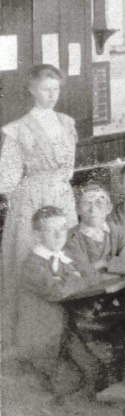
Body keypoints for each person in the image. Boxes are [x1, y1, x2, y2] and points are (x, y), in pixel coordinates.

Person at [0, 65, 79, 350]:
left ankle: (71, 334)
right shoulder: (18, 128)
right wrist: (22, 205)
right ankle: (33, 338)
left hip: (61, 195)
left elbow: (68, 169)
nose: (52, 94)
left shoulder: (66, 123)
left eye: (56, 88)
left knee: (66, 258)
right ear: (32, 90)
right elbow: (6, 178)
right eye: (46, 88)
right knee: (32, 261)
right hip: (32, 200)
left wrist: (59, 188)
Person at [18, 206, 98, 393]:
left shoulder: (64, 255)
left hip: (66, 330)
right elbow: (57, 292)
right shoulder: (32, 265)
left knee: (94, 370)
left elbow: (93, 275)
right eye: (51, 230)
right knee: (64, 385)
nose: (58, 235)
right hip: (42, 335)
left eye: (62, 228)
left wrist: (71, 279)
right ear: (37, 236)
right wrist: (76, 278)